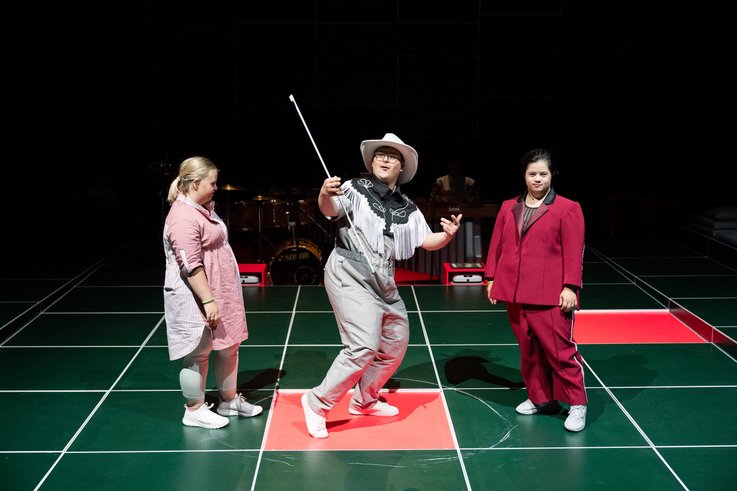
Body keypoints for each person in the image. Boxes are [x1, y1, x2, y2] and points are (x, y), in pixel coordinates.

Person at [301, 133, 463, 438]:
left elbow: (426, 241)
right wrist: (324, 192)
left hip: (383, 277)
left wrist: (448, 236)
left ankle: (365, 399)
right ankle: (317, 403)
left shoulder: (407, 206)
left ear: (401, 167)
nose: (385, 159)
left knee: (395, 342)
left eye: (392, 156)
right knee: (363, 344)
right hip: (349, 271)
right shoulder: (354, 189)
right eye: (380, 155)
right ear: (372, 161)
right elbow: (329, 209)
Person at [483, 148, 588, 432]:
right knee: (528, 351)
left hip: (550, 295)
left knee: (560, 351)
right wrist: (491, 278)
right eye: (532, 174)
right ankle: (542, 399)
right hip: (514, 293)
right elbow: (498, 244)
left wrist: (570, 287)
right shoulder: (508, 206)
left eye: (543, 174)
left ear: (552, 175)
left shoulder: (567, 208)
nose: (538, 179)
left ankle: (578, 404)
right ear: (524, 175)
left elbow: (574, 250)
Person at [163, 156, 263, 429]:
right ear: (195, 184)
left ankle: (229, 400)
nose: (216, 187)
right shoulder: (183, 217)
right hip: (196, 294)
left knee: (230, 345)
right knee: (198, 351)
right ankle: (194, 409)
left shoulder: (203, 208)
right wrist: (208, 300)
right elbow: (191, 265)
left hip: (222, 290)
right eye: (212, 183)